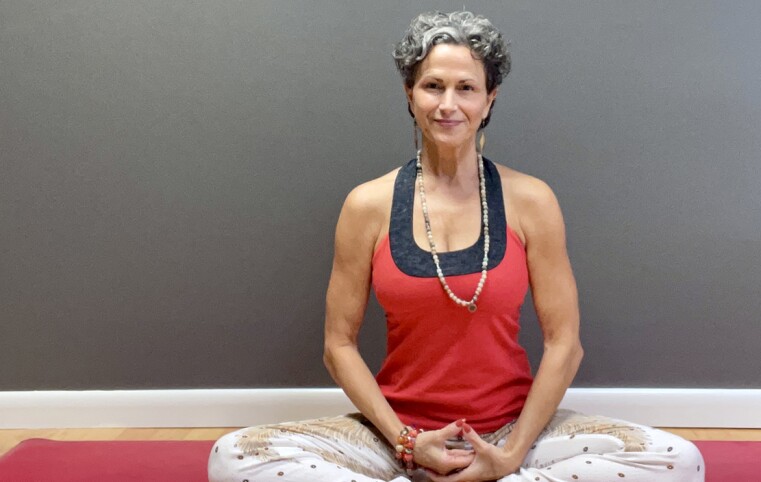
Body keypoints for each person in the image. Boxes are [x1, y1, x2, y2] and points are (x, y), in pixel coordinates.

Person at [208, 11, 705, 482]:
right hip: (395, 437)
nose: (448, 105)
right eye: (432, 86)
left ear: (490, 99)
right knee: (233, 457)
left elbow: (564, 345)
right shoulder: (367, 205)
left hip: (514, 431)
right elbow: (338, 346)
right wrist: (408, 444)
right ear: (410, 94)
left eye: (466, 88)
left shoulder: (532, 201)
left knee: (677, 460)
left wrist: (509, 457)